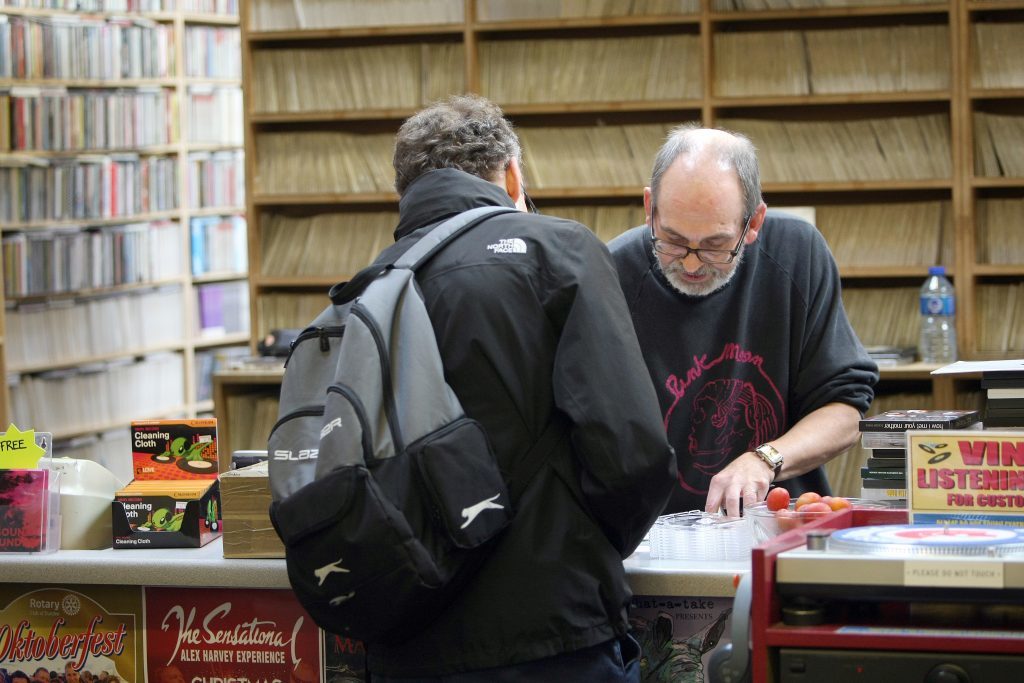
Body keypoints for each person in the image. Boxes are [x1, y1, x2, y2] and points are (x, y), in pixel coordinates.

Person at [365, 94, 676, 680]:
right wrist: (583, 546)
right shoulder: (559, 252)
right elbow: (633, 452)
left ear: (404, 192)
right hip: (552, 631)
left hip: (406, 635)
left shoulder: (371, 287)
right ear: (512, 174)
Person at [608, 125, 878, 518]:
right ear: (650, 209)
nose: (691, 263)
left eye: (716, 246)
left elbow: (845, 410)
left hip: (779, 525)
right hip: (658, 534)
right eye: (672, 240)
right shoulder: (613, 272)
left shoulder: (797, 255)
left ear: (753, 223)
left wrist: (765, 459)